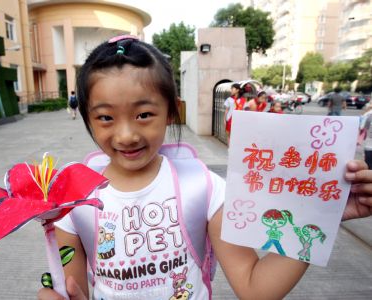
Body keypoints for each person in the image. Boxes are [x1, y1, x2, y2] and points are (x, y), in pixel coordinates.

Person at [38, 35, 372, 300]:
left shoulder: (206, 189)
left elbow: (256, 288)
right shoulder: (70, 201)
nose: (126, 135)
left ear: (172, 111)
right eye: (106, 117)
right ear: (88, 119)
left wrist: (319, 215)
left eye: (144, 114)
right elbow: (74, 288)